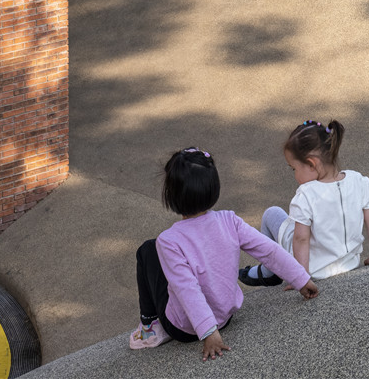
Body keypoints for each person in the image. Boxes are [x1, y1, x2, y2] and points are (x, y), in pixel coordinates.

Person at [130, 148, 318, 356]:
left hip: (185, 329)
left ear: (170, 195)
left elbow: (186, 288)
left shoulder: (169, 241)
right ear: (214, 188)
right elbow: (268, 250)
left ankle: (149, 326)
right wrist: (301, 278)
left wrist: (209, 332)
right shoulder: (230, 220)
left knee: (147, 250)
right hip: (225, 316)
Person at [238, 120, 369, 288]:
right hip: (349, 263)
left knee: (271, 214)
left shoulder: (306, 195)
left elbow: (301, 238)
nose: (295, 175)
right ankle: (270, 269)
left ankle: (268, 271)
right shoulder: (359, 181)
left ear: (311, 164)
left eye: (294, 168)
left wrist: (300, 278)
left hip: (315, 270)